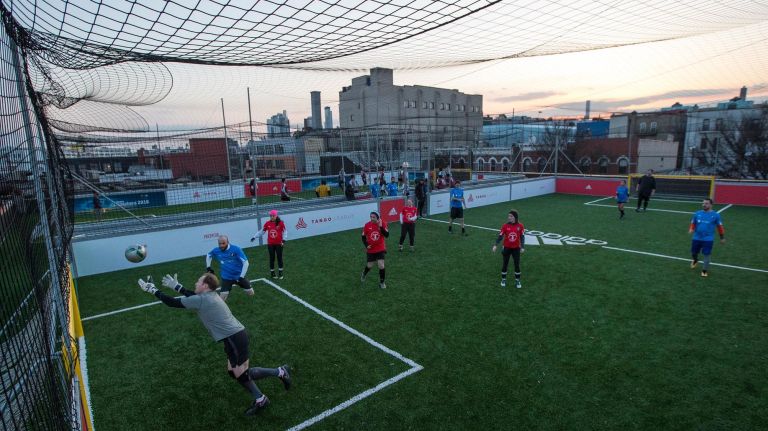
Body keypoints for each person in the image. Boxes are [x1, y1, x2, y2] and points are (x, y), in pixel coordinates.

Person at [137, 273, 291, 416]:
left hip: (234, 338)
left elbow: (172, 302)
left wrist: (153, 290)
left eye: (198, 282)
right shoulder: (210, 295)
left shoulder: (203, 299)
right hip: (234, 337)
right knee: (234, 372)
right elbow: (194, 296)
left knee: (242, 374)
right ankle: (267, 389)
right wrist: (177, 287)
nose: (196, 283)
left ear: (205, 286)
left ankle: (275, 379)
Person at [206, 235, 253, 301]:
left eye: (223, 243)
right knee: (222, 298)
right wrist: (208, 267)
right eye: (219, 244)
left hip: (239, 276)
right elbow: (208, 255)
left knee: (250, 293)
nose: (221, 245)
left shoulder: (236, 249)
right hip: (226, 277)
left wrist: (241, 277)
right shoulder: (216, 250)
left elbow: (246, 262)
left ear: (228, 242)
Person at [689, 198, 726, 277]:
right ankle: (695, 260)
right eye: (703, 203)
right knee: (693, 253)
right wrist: (691, 228)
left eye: (706, 203)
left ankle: (704, 270)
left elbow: (720, 227)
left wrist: (722, 237)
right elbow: (693, 222)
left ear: (711, 205)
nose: (704, 205)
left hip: (708, 239)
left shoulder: (716, 215)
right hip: (696, 237)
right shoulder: (697, 213)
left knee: (707, 254)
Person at [491, 210, 525, 288]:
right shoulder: (505, 226)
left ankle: (517, 281)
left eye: (511, 216)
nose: (509, 217)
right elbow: (500, 236)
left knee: (517, 264)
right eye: (508, 216)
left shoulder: (520, 226)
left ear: (515, 217)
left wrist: (522, 246)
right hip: (506, 248)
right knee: (505, 264)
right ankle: (503, 279)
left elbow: (522, 237)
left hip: (516, 248)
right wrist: (495, 245)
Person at [251, 209, 287, 279]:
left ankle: (280, 272)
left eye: (273, 216)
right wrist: (254, 236)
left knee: (279, 258)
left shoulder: (281, 223)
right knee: (272, 258)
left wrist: (283, 240)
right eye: (271, 216)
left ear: (276, 216)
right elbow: (262, 231)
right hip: (270, 244)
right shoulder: (267, 223)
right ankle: (272, 273)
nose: (272, 217)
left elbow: (285, 232)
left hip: (279, 244)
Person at [360, 211, 389, 289]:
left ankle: (382, 283)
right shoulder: (367, 225)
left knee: (381, 265)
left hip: (380, 248)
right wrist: (366, 245)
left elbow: (387, 235)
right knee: (370, 265)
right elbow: (363, 237)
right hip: (371, 249)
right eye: (371, 217)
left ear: (378, 217)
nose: (372, 218)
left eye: (374, 217)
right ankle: (364, 273)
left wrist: (381, 227)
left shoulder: (383, 223)